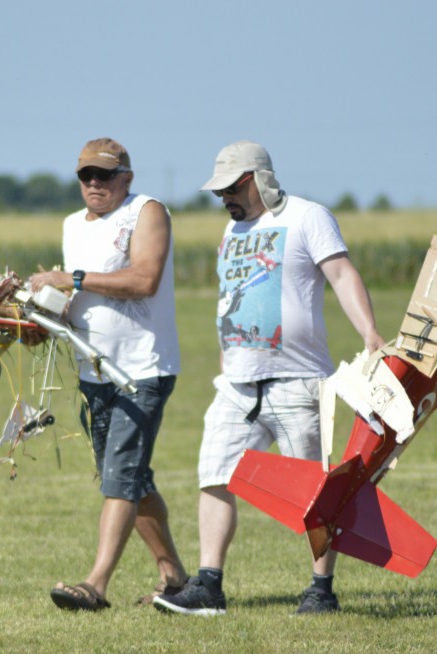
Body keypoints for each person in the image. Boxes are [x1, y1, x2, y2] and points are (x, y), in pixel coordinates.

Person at [153, 141, 386, 617]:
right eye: (218, 192)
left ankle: (321, 590)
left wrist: (370, 334)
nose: (224, 199)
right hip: (236, 385)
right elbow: (230, 298)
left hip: (298, 382)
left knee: (317, 493)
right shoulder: (231, 230)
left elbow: (342, 275)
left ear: (258, 179)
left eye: (230, 189)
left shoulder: (308, 217)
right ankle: (209, 585)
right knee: (215, 475)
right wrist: (226, 360)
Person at [29, 137, 188, 611]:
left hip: (142, 369)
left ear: (127, 178)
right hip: (93, 372)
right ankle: (175, 578)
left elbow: (144, 279)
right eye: (86, 175)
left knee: (120, 476)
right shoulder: (71, 225)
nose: (94, 183)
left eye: (104, 175)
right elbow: (77, 304)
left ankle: (95, 586)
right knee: (131, 478)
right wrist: (36, 320)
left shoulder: (147, 212)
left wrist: (72, 277)